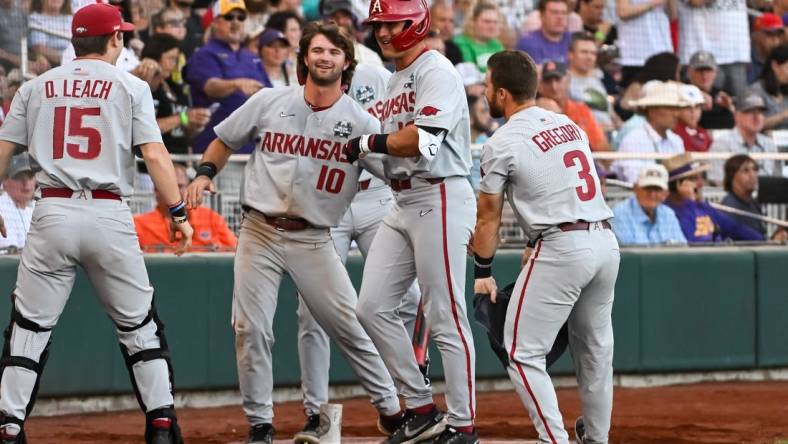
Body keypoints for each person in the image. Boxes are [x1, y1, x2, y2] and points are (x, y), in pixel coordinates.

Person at [184, 22, 404, 444]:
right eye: (318, 50)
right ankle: (260, 425)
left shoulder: (361, 121)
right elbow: (223, 139)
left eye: (334, 52)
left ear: (346, 63)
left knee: (350, 326)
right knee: (250, 329)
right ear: (304, 58)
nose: (325, 57)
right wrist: (204, 173)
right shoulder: (270, 101)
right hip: (260, 231)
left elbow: (392, 176)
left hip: (314, 237)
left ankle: (394, 412)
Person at [0, 4, 194, 443]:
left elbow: (5, 149)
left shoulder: (37, 85)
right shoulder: (131, 85)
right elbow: (157, 156)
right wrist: (178, 212)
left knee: (29, 327)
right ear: (115, 40)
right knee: (140, 327)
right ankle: (161, 423)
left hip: (52, 210)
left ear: (74, 40)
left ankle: (9, 425)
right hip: (107, 210)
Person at [348, 0, 479, 441]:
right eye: (379, 25)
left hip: (439, 193)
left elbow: (423, 142)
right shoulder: (393, 81)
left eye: (392, 23)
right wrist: (361, 153)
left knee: (445, 314)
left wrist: (367, 141)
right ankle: (420, 405)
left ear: (416, 21)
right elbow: (388, 155)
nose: (384, 32)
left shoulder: (435, 69)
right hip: (401, 198)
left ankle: (463, 424)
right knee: (371, 307)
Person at [473, 50, 619, 444]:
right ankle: (598, 438)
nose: (485, 92)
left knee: (521, 352)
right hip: (604, 240)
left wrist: (482, 273)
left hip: (562, 247)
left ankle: (554, 439)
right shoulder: (569, 124)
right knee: (594, 352)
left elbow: (487, 219)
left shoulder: (501, 141)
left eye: (488, 85)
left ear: (502, 93)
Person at [293, 61, 424, 443]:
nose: (329, 53)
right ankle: (315, 412)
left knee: (409, 298)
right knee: (310, 311)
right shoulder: (307, 82)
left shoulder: (376, 77)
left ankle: (411, 399)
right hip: (329, 200)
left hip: (377, 194)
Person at [185, 0, 272, 153]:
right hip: (216, 149)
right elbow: (210, 87)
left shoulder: (251, 57)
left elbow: (269, 95)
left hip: (253, 149)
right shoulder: (204, 54)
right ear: (215, 22)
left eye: (241, 18)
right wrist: (236, 84)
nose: (236, 22)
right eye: (229, 17)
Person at [135, 164, 236, 252]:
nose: (175, 191)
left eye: (180, 186)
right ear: (156, 191)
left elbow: (234, 251)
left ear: (188, 188)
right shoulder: (139, 225)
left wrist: (220, 251)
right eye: (169, 186)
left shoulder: (211, 218)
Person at [664, 153, 763, 243]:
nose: (701, 183)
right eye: (694, 178)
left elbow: (735, 229)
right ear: (677, 185)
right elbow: (690, 240)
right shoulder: (668, 212)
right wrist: (689, 202)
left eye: (701, 177)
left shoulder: (704, 207)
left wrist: (766, 241)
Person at [141, 34, 211, 154]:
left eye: (176, 59)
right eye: (171, 58)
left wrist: (195, 124)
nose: (174, 64)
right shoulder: (146, 88)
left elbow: (184, 128)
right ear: (155, 57)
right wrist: (184, 118)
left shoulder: (177, 87)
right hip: (154, 162)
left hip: (181, 158)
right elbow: (145, 128)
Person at [611, 80, 686, 183]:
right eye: (670, 108)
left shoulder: (676, 140)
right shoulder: (634, 139)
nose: (676, 114)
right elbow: (635, 180)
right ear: (652, 110)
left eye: (677, 108)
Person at [676, 0, 750, 98]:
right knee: (701, 105)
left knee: (738, 107)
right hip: (700, 54)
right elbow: (696, 2)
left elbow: (762, 3)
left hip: (736, 53)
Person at [709, 93, 782, 183]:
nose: (756, 117)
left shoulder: (769, 144)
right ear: (736, 116)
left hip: (767, 195)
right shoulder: (721, 144)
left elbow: (778, 181)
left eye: (760, 112)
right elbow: (718, 181)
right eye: (750, 112)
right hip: (733, 196)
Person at [538, 60, 610, 151]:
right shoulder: (535, 111)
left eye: (558, 80)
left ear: (567, 82)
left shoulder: (581, 110)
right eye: (548, 81)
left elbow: (602, 148)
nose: (553, 86)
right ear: (541, 86)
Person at [611, 164, 686, 245]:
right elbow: (630, 256)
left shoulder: (668, 214)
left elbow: (682, 248)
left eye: (657, 189)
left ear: (666, 193)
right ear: (636, 188)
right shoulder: (620, 214)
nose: (652, 194)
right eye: (648, 188)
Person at [721, 154, 788, 240]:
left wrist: (777, 236)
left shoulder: (753, 203)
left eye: (755, 170)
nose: (753, 175)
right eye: (746, 171)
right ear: (731, 176)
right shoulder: (729, 207)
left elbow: (760, 240)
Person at [615, 0, 676, 89]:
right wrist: (653, 3)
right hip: (635, 56)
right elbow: (623, 12)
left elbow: (673, 16)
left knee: (665, 97)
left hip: (663, 52)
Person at [567, 31, 617, 131]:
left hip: (609, 133)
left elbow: (611, 114)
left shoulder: (598, 78)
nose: (589, 57)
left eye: (593, 53)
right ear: (571, 55)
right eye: (584, 52)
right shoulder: (563, 80)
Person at [321, 0, 385, 66]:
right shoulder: (318, 55)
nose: (340, 21)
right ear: (324, 21)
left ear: (352, 19)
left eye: (345, 16)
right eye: (334, 16)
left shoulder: (371, 57)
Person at [686, 51, 735, 130]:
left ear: (715, 72)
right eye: (699, 70)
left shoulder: (722, 95)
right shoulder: (682, 92)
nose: (704, 75)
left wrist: (730, 108)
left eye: (708, 70)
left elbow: (733, 123)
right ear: (689, 72)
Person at [453, 2, 504, 73]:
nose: (492, 26)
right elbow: (470, 77)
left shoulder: (496, 45)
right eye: (487, 21)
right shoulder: (461, 43)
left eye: (495, 22)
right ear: (473, 21)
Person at [516, 0, 573, 64]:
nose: (560, 17)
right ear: (542, 16)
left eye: (564, 13)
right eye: (554, 12)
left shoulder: (574, 40)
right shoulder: (527, 43)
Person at [0, 153, 36, 252]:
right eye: (19, 177)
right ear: (4, 180)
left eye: (30, 176)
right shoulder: (2, 207)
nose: (26, 184)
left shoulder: (38, 208)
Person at [748, 44, 788, 131]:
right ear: (775, 66)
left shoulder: (785, 90)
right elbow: (752, 124)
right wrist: (783, 115)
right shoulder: (757, 90)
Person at [29, 0, 73, 66]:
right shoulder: (35, 19)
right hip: (55, 66)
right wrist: (67, 59)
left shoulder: (71, 18)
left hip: (75, 62)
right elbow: (40, 48)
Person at [674, 83, 712, 152]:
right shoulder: (673, 132)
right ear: (677, 109)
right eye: (688, 107)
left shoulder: (703, 132)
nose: (693, 111)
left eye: (697, 107)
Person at [749, 13, 784, 84]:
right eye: (770, 34)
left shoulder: (777, 60)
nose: (775, 40)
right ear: (756, 34)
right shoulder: (746, 57)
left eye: (778, 35)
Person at [430, 0, 464, 65]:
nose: (447, 25)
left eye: (451, 21)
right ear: (430, 21)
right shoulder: (420, 47)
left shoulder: (455, 49)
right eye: (442, 20)